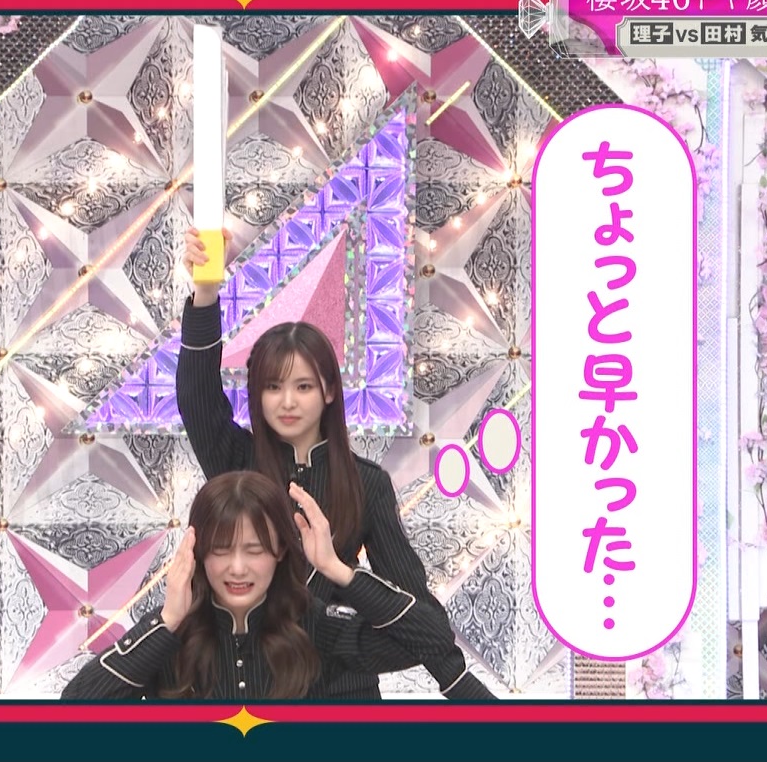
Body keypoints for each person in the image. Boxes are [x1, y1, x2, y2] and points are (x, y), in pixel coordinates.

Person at [172, 226, 496, 700]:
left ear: (328, 391)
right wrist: (205, 295)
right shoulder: (237, 463)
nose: (287, 402)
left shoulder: (367, 483)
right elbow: (196, 397)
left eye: (303, 386)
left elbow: (422, 618)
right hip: (250, 685)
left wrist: (340, 573)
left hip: (342, 689)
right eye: (272, 387)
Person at [61, 471, 460, 699]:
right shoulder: (170, 630)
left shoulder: (315, 623)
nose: (237, 568)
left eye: (254, 550)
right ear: (197, 552)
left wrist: (338, 571)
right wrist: (166, 622)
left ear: (281, 550)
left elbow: (434, 640)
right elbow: (74, 710)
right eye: (221, 550)